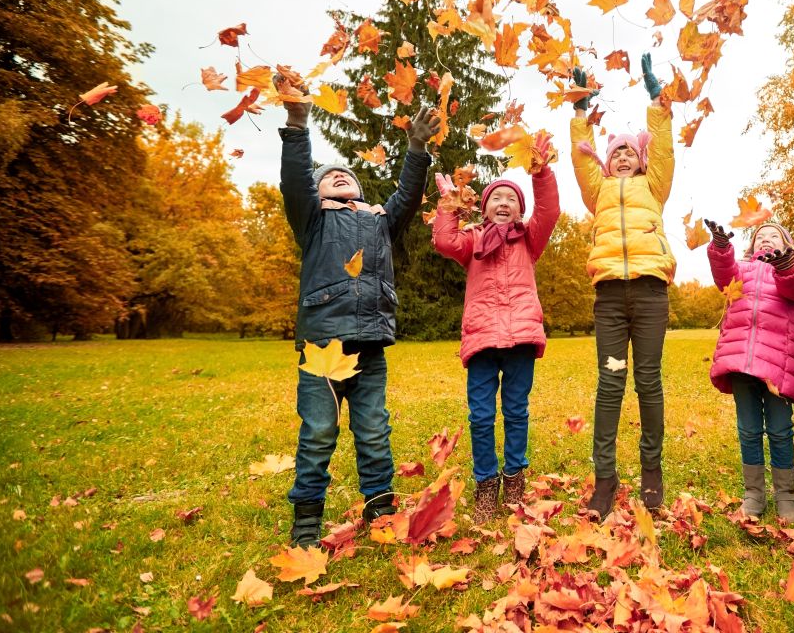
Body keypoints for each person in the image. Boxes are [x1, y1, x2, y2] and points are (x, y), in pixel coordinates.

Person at [279, 93, 438, 548]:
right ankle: (307, 521)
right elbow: (295, 181)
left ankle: (381, 508)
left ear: (360, 190)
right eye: (328, 176)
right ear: (318, 191)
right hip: (323, 348)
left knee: (373, 429)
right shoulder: (311, 219)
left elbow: (407, 195)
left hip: (369, 345)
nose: (339, 177)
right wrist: (297, 125)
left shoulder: (380, 222)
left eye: (346, 175)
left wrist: (417, 150)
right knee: (318, 433)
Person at [431, 136, 560, 523]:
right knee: (481, 416)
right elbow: (442, 239)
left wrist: (541, 173)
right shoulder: (472, 240)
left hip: (521, 337)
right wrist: (450, 205)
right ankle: (486, 482)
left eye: (511, 199)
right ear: (485, 207)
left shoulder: (529, 238)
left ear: (519, 210)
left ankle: (514, 477)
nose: (504, 204)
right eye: (496, 198)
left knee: (517, 411)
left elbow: (550, 211)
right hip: (483, 338)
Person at [570, 54, 675, 520]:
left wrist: (657, 102)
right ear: (607, 163)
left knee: (648, 381)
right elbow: (581, 159)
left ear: (641, 158)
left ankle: (651, 473)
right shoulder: (598, 191)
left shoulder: (655, 187)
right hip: (611, 297)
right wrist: (579, 111)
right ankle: (606, 480)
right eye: (616, 153)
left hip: (651, 295)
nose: (623, 156)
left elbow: (666, 149)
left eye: (630, 150)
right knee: (610, 384)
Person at [705, 220, 794, 524]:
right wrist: (722, 248)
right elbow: (723, 275)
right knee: (748, 429)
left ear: (787, 245)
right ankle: (753, 494)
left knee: (780, 430)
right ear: (751, 246)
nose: (766, 240)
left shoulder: (792, 271)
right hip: (741, 360)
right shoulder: (741, 270)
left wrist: (785, 264)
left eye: (774, 236)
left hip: (778, 363)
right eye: (760, 236)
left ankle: (786, 496)